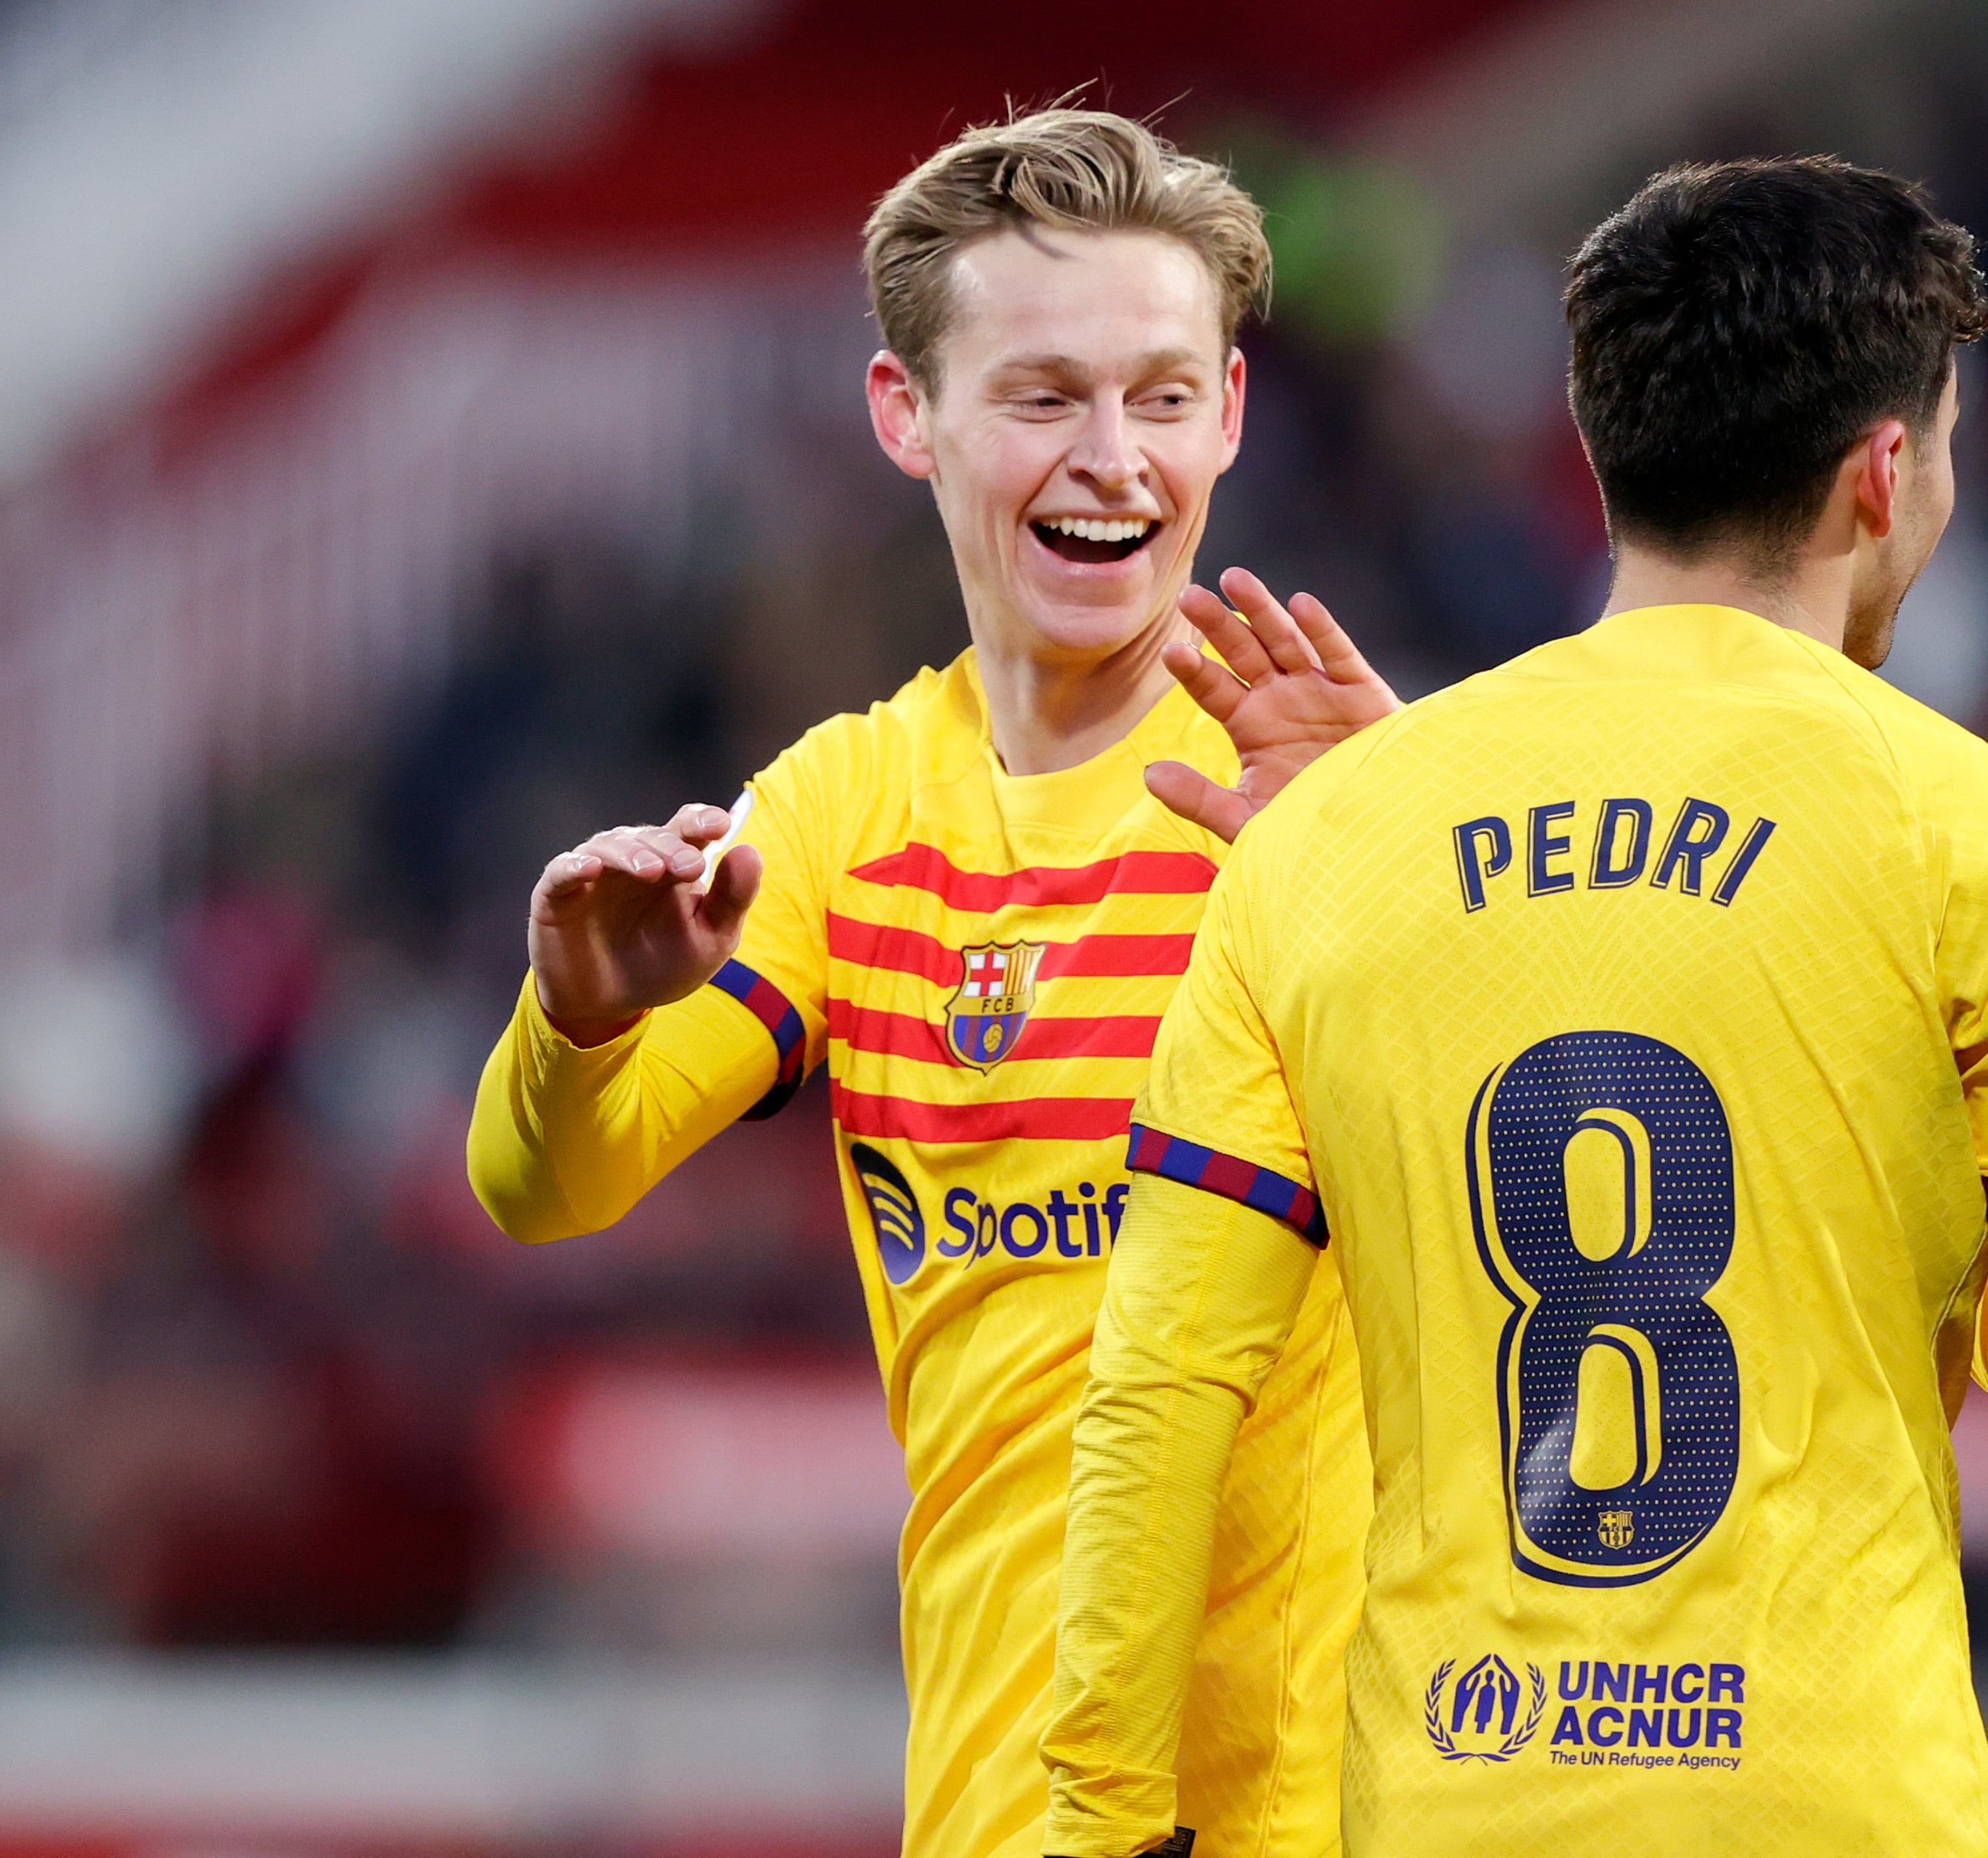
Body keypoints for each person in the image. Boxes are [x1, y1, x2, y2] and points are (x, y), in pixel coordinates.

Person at [1041, 156, 1988, 1857]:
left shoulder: (1330, 843)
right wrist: (1934, 1278)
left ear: (1605, 450)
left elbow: (1155, 1389)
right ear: (1881, 475)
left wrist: (1098, 1827)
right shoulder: (1964, 828)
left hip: (1461, 1804)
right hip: (1833, 1807)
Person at [466, 109, 1395, 1858]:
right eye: (1043, 395)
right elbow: (543, 1186)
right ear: (908, 416)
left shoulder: (1335, 779)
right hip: (995, 1814)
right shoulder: (840, 812)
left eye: (1164, 394)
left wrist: (1420, 872)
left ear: (1231, 416)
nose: (1114, 457)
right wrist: (581, 1015)